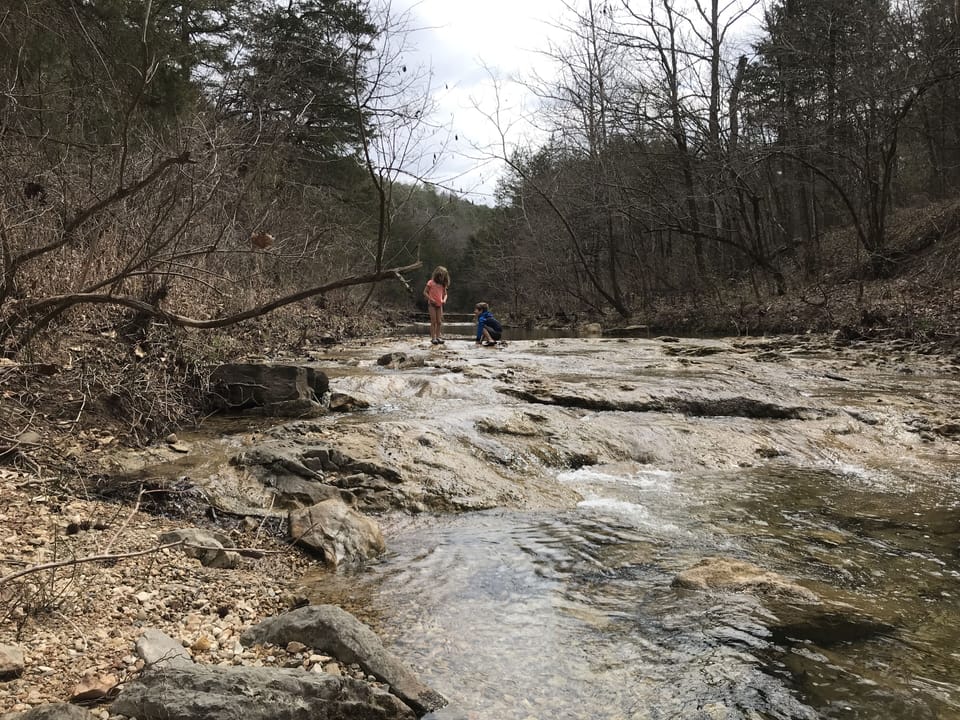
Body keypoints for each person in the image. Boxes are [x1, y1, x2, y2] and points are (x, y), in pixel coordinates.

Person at [423, 266, 450, 344]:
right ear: (437, 275)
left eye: (443, 276)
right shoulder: (431, 282)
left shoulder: (443, 284)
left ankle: (438, 337)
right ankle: (433, 338)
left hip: (439, 305)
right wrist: (430, 299)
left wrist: (444, 300)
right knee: (433, 321)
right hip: (432, 304)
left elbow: (445, 295)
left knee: (439, 322)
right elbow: (424, 292)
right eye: (441, 276)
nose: (442, 277)